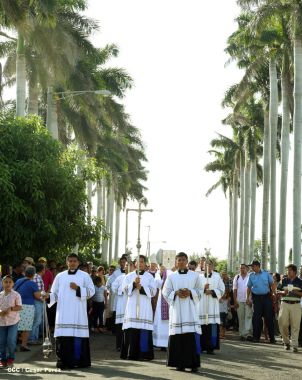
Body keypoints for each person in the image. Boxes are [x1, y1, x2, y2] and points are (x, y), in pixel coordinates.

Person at [48, 253, 95, 370]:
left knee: (77, 337)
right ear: (67, 262)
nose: (72, 263)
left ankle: (78, 361)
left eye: (74, 261)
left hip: (78, 313)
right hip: (63, 312)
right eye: (70, 261)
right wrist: (47, 297)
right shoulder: (60, 276)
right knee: (64, 338)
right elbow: (54, 293)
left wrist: (78, 289)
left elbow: (91, 291)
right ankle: (63, 361)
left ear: (78, 263)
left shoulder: (85, 276)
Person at [163, 252, 202, 372]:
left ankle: (193, 364)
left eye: (183, 260)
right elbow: (165, 292)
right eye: (179, 260)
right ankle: (179, 363)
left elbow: (199, 291)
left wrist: (190, 293)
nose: (181, 262)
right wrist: (175, 293)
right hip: (177, 311)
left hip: (190, 310)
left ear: (187, 261)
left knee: (190, 336)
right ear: (176, 261)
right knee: (178, 337)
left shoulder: (195, 276)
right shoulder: (171, 276)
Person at [120, 255, 157, 361]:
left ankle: (144, 354)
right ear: (135, 263)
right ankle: (130, 353)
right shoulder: (129, 276)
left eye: (142, 262)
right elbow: (124, 290)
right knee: (132, 329)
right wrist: (133, 284)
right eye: (138, 262)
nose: (140, 264)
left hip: (144, 306)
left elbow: (153, 291)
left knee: (143, 329)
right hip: (132, 306)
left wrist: (142, 288)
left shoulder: (150, 277)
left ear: (145, 264)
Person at [14, 266, 44, 351]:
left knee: (16, 326)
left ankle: (13, 345)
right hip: (28, 306)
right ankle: (23, 345)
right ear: (34, 274)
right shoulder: (32, 283)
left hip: (17, 305)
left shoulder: (19, 281)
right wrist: (43, 298)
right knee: (26, 327)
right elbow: (37, 296)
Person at [198, 260, 225, 354]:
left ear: (212, 266)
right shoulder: (199, 277)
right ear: (203, 266)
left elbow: (222, 290)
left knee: (211, 326)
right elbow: (195, 289)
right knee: (201, 326)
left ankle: (211, 347)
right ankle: (201, 346)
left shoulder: (217, 277)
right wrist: (203, 289)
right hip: (201, 305)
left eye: (209, 265)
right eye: (206, 265)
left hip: (212, 305)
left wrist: (212, 292)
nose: (207, 267)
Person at [247, 260, 276, 343]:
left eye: (253, 266)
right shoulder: (251, 276)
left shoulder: (266, 274)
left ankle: (272, 338)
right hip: (256, 299)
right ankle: (256, 337)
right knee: (256, 318)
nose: (252, 268)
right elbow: (249, 287)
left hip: (267, 298)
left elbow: (272, 284)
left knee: (269, 318)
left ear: (257, 266)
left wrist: (274, 294)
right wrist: (247, 298)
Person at [277, 264, 302, 352]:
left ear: (294, 272)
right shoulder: (283, 280)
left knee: (295, 325)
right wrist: (284, 291)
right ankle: (286, 342)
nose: (288, 272)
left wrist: (294, 291)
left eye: (289, 270)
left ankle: (294, 345)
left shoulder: (300, 281)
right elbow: (277, 291)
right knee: (282, 323)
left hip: (296, 304)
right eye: (287, 270)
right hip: (285, 304)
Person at [112, 260, 134, 351]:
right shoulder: (120, 278)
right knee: (120, 326)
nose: (128, 267)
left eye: (130, 265)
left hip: (131, 304)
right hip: (121, 303)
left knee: (131, 326)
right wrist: (122, 291)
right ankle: (119, 345)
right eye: (126, 265)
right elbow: (113, 287)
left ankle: (130, 346)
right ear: (124, 267)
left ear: (134, 267)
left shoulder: (136, 277)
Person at [0, 276, 22, 368]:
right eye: (6, 282)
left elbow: (20, 307)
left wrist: (11, 308)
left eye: (10, 282)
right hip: (1, 322)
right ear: (2, 283)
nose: (8, 284)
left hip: (13, 321)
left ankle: (10, 359)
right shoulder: (0, 294)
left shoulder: (16, 294)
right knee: (1, 342)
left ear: (13, 284)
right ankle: (2, 360)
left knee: (11, 340)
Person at [233, 264, 252, 341]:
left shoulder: (250, 276)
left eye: (243, 268)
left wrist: (251, 299)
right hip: (239, 300)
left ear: (247, 269)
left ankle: (249, 334)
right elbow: (234, 290)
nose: (242, 269)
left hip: (248, 300)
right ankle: (242, 334)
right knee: (241, 318)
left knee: (248, 316)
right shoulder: (237, 277)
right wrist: (235, 301)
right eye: (241, 268)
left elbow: (252, 288)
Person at [153, 265, 170, 350]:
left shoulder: (172, 272)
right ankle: (160, 343)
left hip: (170, 300)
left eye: (164, 268)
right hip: (161, 299)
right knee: (160, 321)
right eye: (162, 268)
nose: (163, 269)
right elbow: (157, 284)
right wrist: (160, 274)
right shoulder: (157, 274)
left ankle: (168, 343)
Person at [28, 263, 45, 345]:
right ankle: (32, 339)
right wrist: (43, 299)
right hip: (37, 301)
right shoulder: (37, 277)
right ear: (42, 269)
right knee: (37, 320)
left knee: (36, 320)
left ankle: (34, 338)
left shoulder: (34, 277)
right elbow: (38, 293)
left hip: (34, 301)